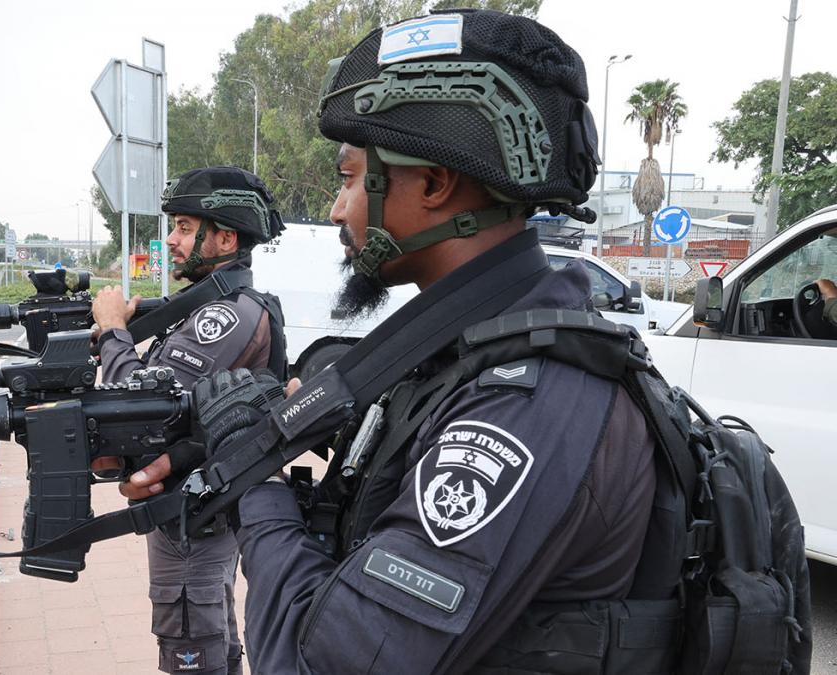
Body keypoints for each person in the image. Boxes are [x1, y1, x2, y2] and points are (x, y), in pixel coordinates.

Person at [123, 10, 670, 673]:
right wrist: (225, 445)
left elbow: (314, 659)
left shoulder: (523, 405)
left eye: (350, 177)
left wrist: (252, 476)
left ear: (434, 185)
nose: (335, 208)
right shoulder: (461, 350)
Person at [91, 166, 286, 675]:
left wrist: (113, 330)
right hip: (196, 507)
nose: (172, 241)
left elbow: (144, 402)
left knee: (191, 637)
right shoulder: (207, 305)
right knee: (212, 628)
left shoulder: (225, 314)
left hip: (194, 518)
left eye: (182, 227)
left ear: (224, 237)